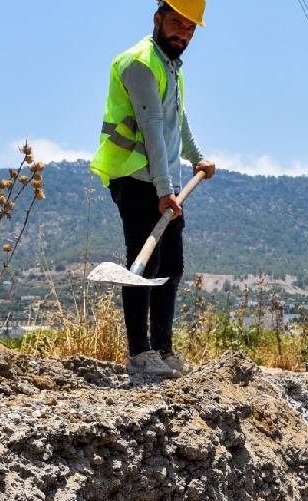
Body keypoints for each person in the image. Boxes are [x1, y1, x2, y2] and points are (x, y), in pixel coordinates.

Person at [89, 0, 216, 377]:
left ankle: (163, 349)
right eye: (177, 23)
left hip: (164, 181)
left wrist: (197, 156)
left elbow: (178, 119)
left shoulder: (170, 66)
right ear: (158, 18)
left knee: (172, 265)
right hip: (134, 176)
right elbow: (152, 130)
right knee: (144, 263)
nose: (184, 33)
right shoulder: (141, 63)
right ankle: (139, 353)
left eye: (191, 28)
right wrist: (164, 190)